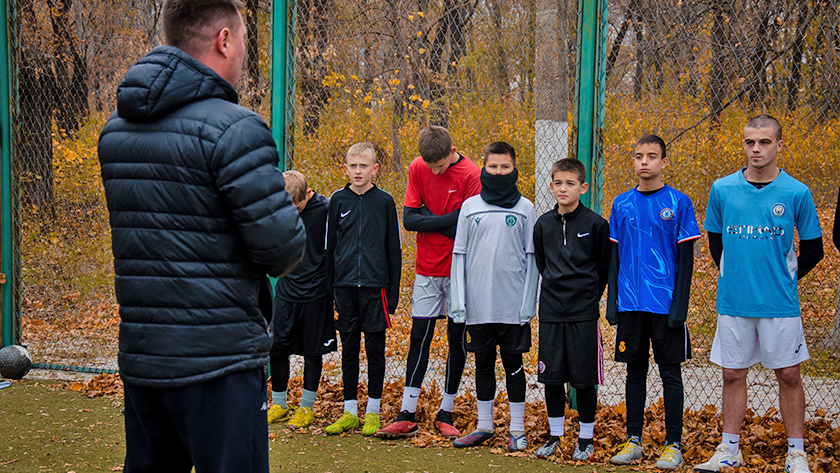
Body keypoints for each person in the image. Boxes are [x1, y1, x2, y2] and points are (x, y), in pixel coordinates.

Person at [97, 0, 306, 471]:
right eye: (244, 41)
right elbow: (282, 250)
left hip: (144, 357)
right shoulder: (236, 130)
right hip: (220, 362)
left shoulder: (116, 132)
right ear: (224, 40)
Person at [695, 115, 823, 473]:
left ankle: (796, 452)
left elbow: (814, 249)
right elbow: (716, 243)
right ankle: (729, 449)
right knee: (732, 375)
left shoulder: (796, 192)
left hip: (779, 304)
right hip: (734, 301)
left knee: (789, 374)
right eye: (750, 142)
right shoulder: (722, 189)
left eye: (764, 142)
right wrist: (737, 276)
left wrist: (782, 280)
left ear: (779, 145)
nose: (756, 149)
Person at [377, 126, 481, 439]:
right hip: (426, 268)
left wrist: (429, 218)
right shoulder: (417, 167)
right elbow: (409, 220)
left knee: (456, 339)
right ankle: (406, 413)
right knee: (419, 338)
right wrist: (450, 218)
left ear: (452, 151)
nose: (434, 171)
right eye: (430, 166)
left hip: (459, 270)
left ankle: (445, 411)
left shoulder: (471, 173)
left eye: (440, 166)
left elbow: (468, 227)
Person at [606, 134, 700, 470]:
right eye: (638, 156)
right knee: (635, 372)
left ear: (663, 161)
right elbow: (614, 255)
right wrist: (612, 301)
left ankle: (674, 444)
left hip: (665, 304)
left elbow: (686, 260)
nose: (644, 162)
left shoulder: (679, 202)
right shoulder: (621, 204)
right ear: (633, 161)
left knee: (670, 373)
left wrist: (681, 306)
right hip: (631, 302)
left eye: (651, 156)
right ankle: (634, 440)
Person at [448, 141, 538, 451]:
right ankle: (484, 425)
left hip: (512, 308)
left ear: (514, 170)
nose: (499, 172)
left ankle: (517, 429)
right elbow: (459, 255)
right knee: (483, 365)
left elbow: (532, 258)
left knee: (513, 366)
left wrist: (528, 303)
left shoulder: (526, 208)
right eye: (493, 167)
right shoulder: (470, 207)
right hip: (478, 307)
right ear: (484, 169)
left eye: (505, 167)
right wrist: (458, 301)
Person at [532, 158, 610, 461]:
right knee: (551, 377)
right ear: (551, 186)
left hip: (583, 313)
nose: (563, 188)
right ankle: (555, 436)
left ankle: (585, 439)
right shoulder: (543, 225)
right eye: (558, 183)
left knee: (583, 379)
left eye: (570, 183)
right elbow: (542, 265)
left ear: (583, 187)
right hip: (551, 312)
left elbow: (603, 269)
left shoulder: (595, 224)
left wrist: (586, 297)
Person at [324, 142, 401, 436]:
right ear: (346, 168)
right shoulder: (337, 201)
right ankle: (349, 412)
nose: (358, 171)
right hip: (344, 288)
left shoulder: (384, 202)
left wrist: (391, 293)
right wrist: (330, 287)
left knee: (375, 350)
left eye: (364, 166)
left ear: (374, 169)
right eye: (353, 166)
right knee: (349, 350)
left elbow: (393, 250)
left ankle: (372, 411)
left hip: (374, 288)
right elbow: (329, 249)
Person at [267, 170, 335, 429]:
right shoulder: (278, 207)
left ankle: (306, 408)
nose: (293, 212)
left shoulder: (326, 209)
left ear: (308, 194)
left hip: (317, 293)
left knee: (312, 351)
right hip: (286, 289)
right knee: (277, 346)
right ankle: (279, 404)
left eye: (298, 206)